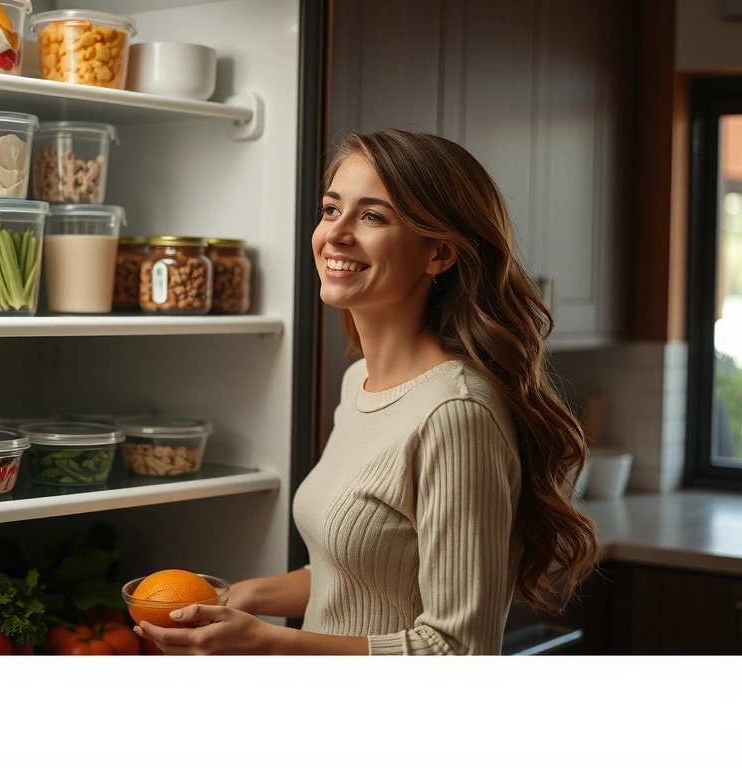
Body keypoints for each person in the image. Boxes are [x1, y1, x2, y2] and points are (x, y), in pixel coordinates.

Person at [134, 129, 601, 655]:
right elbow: (361, 573)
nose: (336, 234)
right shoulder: (357, 381)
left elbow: (457, 649)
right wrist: (245, 597)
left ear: (439, 253)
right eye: (331, 209)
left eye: (373, 216)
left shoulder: (455, 413)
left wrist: (268, 643)